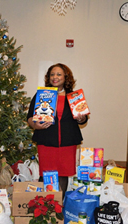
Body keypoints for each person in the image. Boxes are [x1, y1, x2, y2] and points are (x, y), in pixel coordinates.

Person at [27, 63, 88, 197]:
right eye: (52, 74)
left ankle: (59, 205)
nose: (55, 77)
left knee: (63, 173)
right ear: (48, 78)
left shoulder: (74, 97)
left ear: (66, 77)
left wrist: (81, 118)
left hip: (67, 142)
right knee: (46, 173)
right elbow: (30, 117)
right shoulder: (41, 95)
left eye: (59, 74)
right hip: (46, 141)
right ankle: (44, 206)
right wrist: (36, 125)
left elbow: (83, 119)